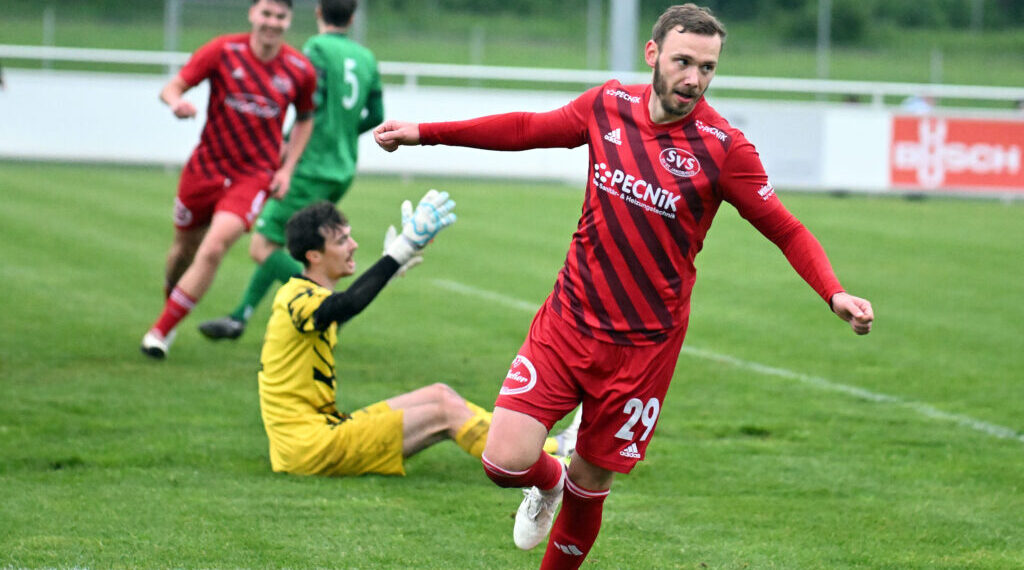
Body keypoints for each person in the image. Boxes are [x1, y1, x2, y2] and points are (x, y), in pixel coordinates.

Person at [373, 4, 874, 568]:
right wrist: (425, 135)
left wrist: (833, 291)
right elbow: (527, 129)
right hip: (567, 322)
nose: (694, 79)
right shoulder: (608, 107)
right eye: (684, 61)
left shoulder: (723, 148)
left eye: (707, 68)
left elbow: (786, 228)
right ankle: (548, 480)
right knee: (503, 462)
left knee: (591, 485)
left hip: (643, 349)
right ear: (653, 54)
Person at [258, 196, 577, 476]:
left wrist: (387, 272)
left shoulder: (303, 295)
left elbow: (342, 307)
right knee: (443, 414)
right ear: (313, 255)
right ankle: (548, 459)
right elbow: (346, 305)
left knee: (441, 395)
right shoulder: (295, 297)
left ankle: (549, 446)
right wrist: (400, 251)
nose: (353, 245)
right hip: (309, 445)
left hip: (322, 430)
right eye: (342, 241)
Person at [140, 0, 317, 359]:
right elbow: (172, 87)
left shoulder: (299, 69)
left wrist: (286, 168)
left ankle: (159, 332)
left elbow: (305, 118)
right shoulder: (223, 50)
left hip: (252, 177)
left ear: (289, 21)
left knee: (215, 246)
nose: (272, 22)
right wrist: (177, 104)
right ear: (253, 14)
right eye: (266, 14)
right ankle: (170, 308)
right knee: (182, 252)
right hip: (205, 169)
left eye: (280, 16)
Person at [199, 0, 384, 341]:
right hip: (342, 166)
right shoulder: (366, 58)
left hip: (309, 165)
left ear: (317, 13)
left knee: (262, 247)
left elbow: (308, 103)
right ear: (353, 17)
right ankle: (240, 317)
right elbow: (375, 115)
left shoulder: (315, 48)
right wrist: (342, 133)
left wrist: (286, 146)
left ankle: (331, 308)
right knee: (280, 242)